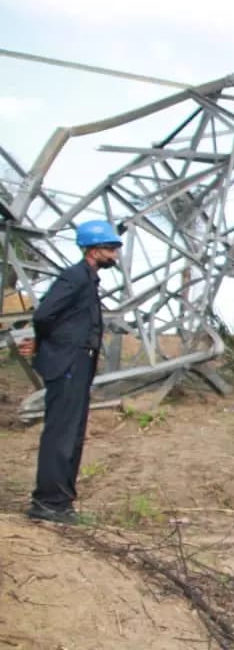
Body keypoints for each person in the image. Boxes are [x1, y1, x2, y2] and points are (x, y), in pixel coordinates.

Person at [22, 220, 122, 524]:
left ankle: (60, 500)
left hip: (78, 364)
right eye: (110, 249)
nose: (116, 255)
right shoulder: (75, 277)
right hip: (67, 364)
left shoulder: (88, 280)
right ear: (93, 250)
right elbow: (44, 314)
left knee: (73, 433)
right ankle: (48, 502)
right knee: (61, 433)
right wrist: (48, 345)